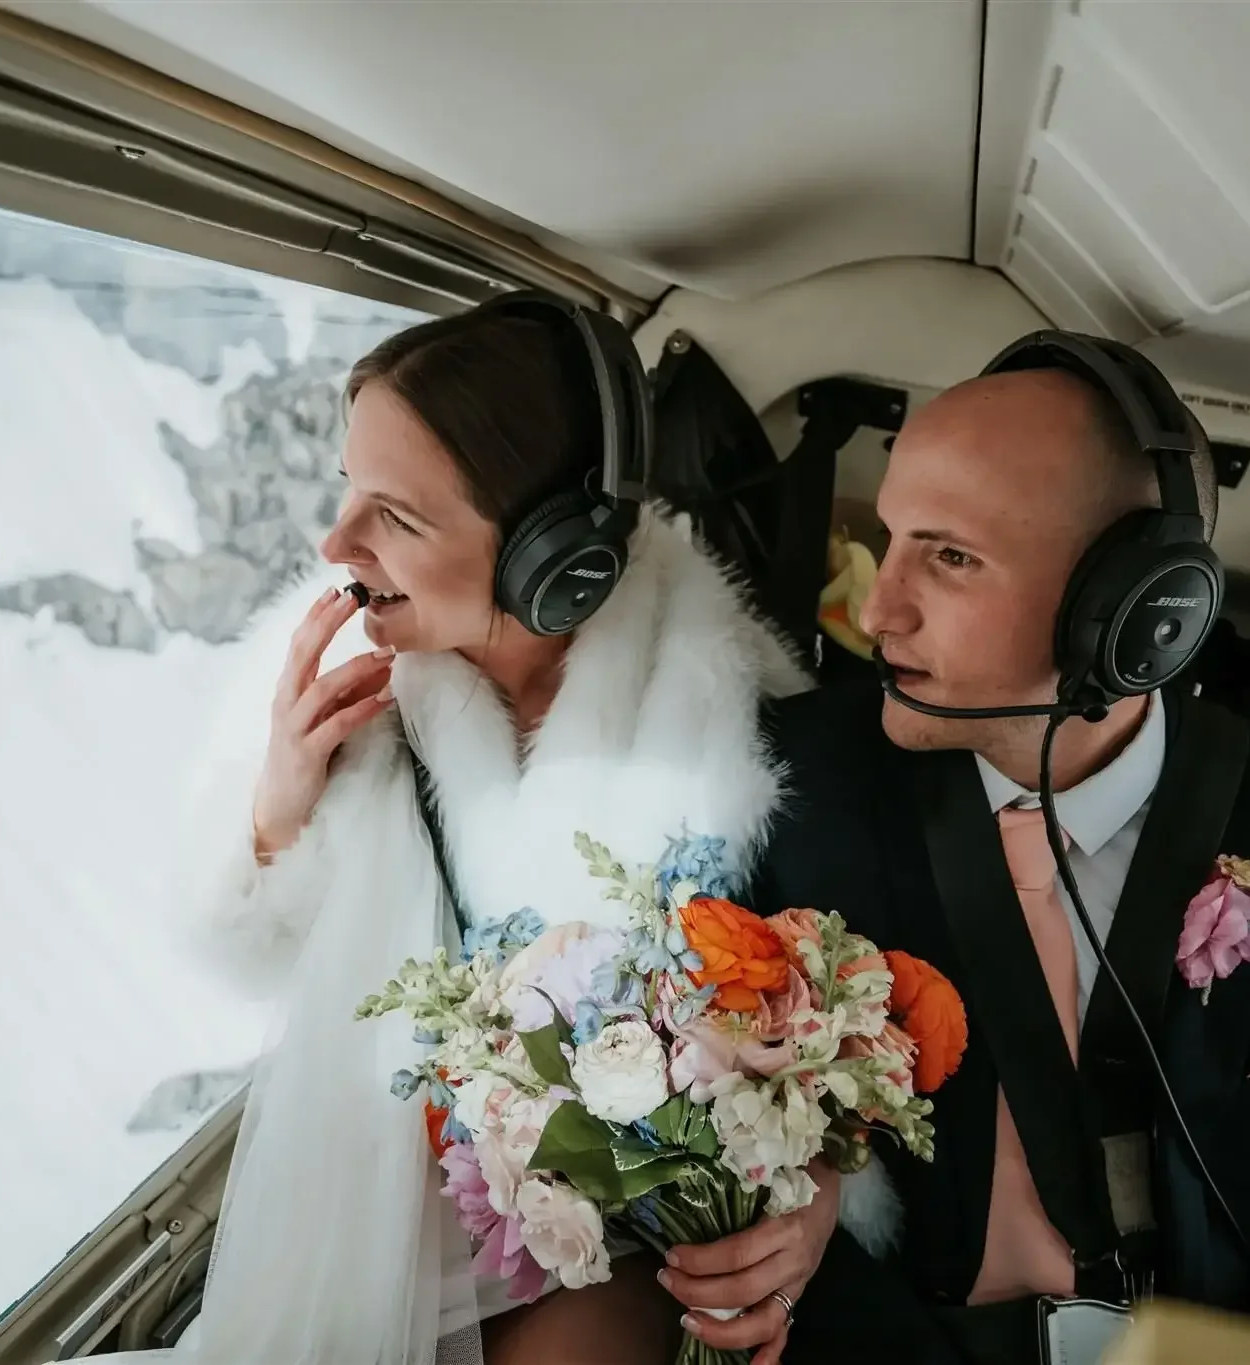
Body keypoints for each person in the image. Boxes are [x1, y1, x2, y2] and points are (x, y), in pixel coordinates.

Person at [663, 332, 1250, 1363]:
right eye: (893, 537)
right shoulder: (783, 788)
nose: (877, 609)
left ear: (1134, 615)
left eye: (949, 558)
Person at [134, 295, 815, 1365]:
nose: (334, 541)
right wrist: (276, 814)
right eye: (347, 490)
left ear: (560, 556)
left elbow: (827, 1066)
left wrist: (805, 1212)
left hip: (627, 1249)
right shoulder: (336, 706)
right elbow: (249, 958)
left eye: (396, 518)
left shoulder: (754, 748)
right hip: (384, 1220)